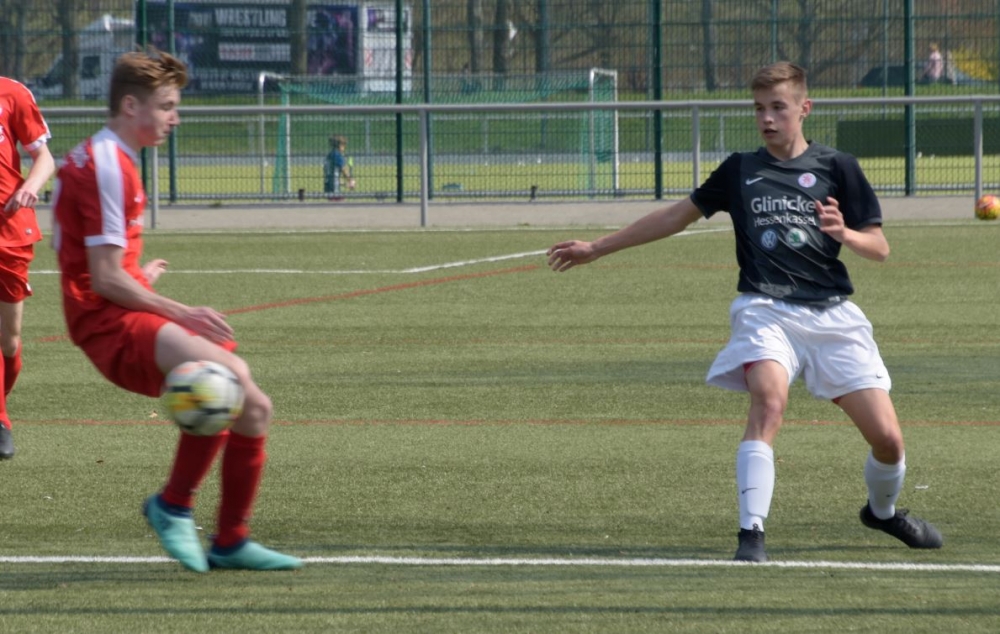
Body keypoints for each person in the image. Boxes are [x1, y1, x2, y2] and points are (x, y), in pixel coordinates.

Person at [546, 62, 942, 563]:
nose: (767, 118)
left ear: (804, 108)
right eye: (759, 108)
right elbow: (675, 216)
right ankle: (751, 533)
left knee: (888, 441)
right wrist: (597, 247)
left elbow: (879, 248)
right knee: (769, 402)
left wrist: (844, 233)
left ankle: (882, 513)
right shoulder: (739, 169)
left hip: (833, 316)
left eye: (778, 107)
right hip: (764, 308)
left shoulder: (838, 166)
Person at [51, 49, 301, 573]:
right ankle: (173, 506)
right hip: (105, 323)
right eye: (166, 106)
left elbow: (98, 263)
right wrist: (178, 310)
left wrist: (141, 278)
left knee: (254, 406)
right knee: (227, 375)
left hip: (118, 307)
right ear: (130, 105)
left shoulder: (108, 157)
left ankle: (231, 540)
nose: (175, 118)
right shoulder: (107, 164)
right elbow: (103, 279)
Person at [0, 77, 55, 460]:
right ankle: (1, 423)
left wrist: (30, 186)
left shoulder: (13, 93)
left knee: (9, 341)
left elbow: (45, 157)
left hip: (10, 227)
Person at [323, 135, 354, 201]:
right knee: (341, 204)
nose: (344, 148)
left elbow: (333, 176)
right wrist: (350, 180)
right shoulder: (337, 155)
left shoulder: (329, 155)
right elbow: (344, 170)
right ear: (340, 145)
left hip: (327, 187)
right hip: (334, 189)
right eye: (344, 145)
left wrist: (344, 184)